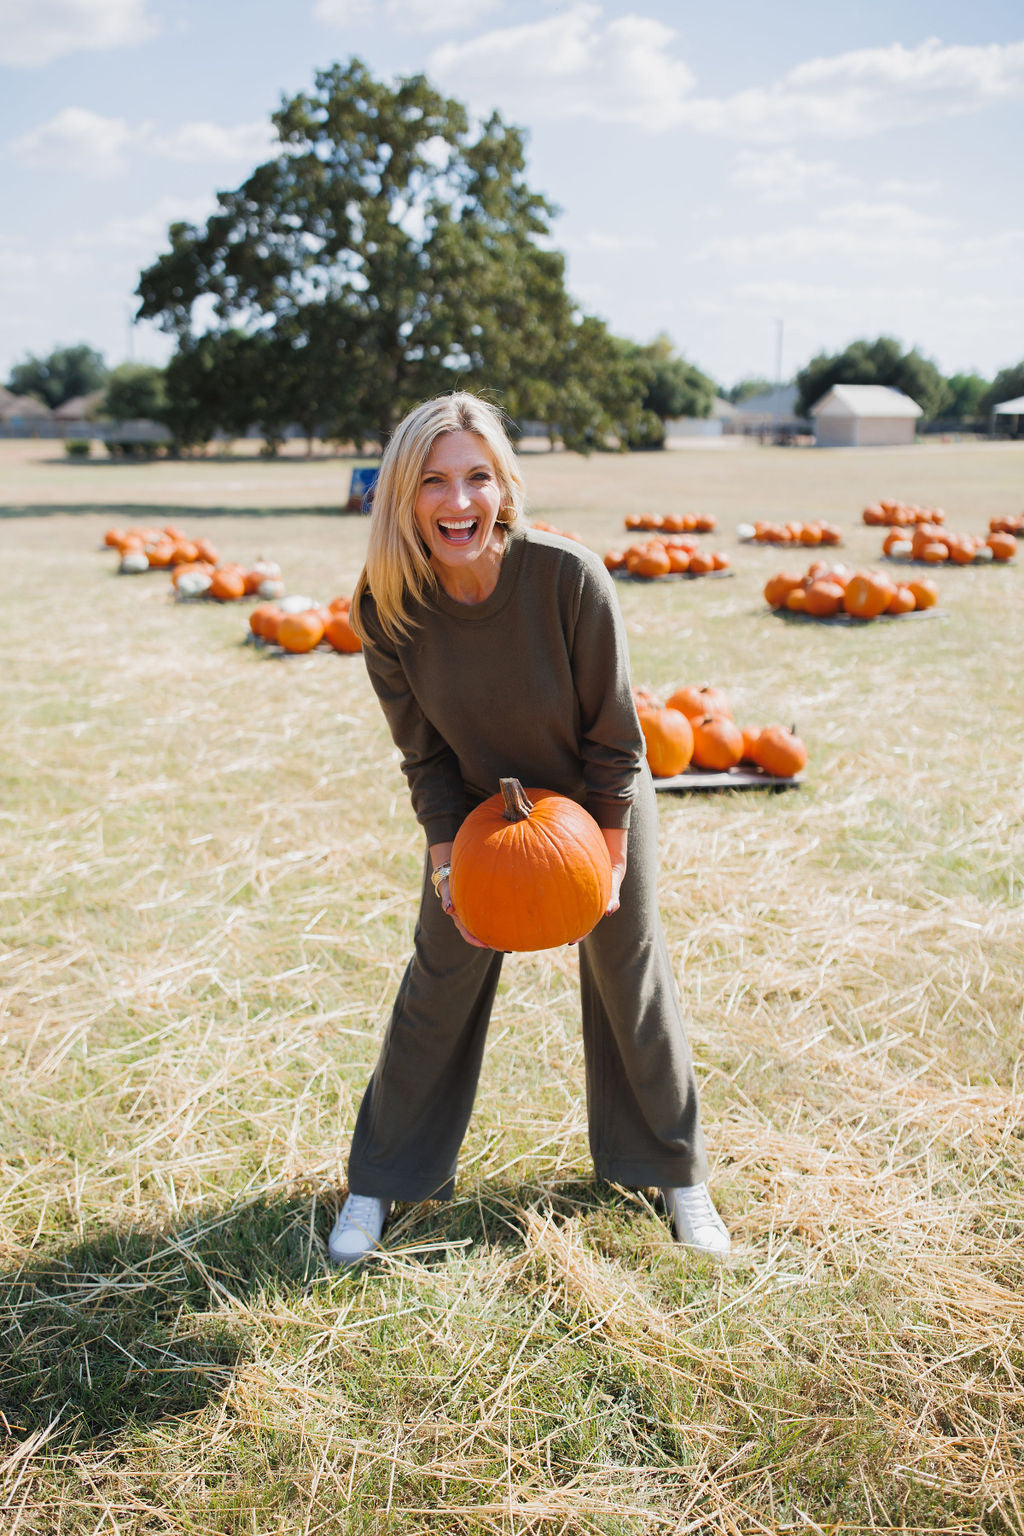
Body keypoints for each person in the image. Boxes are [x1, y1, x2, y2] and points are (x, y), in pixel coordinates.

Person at [329, 393, 729, 1266]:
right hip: (481, 807)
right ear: (401, 496)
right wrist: (446, 863)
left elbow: (619, 741)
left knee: (630, 973)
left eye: (477, 477)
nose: (457, 501)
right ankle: (382, 1178)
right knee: (438, 976)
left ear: (504, 488)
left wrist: (611, 860)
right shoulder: (386, 610)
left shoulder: (568, 576)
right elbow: (425, 760)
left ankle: (673, 1169)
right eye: (433, 481)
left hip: (597, 796)